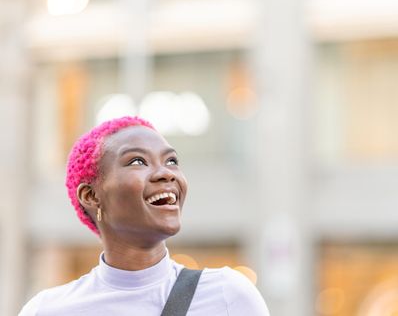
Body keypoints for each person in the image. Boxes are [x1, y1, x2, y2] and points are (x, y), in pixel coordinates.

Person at [19, 116, 270, 316]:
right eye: (138, 162)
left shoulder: (228, 296)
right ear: (90, 195)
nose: (166, 174)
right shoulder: (47, 309)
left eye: (171, 161)